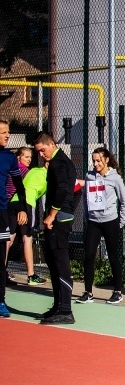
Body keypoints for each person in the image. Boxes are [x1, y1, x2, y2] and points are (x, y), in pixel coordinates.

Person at [75, 147, 125, 305]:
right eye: (94, 160)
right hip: (93, 222)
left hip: (111, 221)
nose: (96, 163)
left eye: (99, 160)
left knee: (113, 256)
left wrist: (121, 221)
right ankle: (88, 292)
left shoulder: (115, 178)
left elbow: (124, 201)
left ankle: (118, 291)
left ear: (106, 160)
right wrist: (86, 215)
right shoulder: (89, 176)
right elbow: (86, 198)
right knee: (89, 255)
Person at [32, 131, 74, 324]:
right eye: (38, 152)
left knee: (60, 262)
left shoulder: (59, 163)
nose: (41, 155)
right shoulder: (57, 162)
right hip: (58, 217)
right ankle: (58, 307)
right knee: (52, 261)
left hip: (60, 219)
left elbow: (63, 188)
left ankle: (66, 310)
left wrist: (51, 215)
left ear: (51, 144)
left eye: (42, 150)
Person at [6, 147, 45, 286]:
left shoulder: (11, 170)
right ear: (18, 158)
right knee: (27, 238)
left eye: (30, 157)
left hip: (9, 205)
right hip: (23, 204)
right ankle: (31, 275)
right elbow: (24, 189)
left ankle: (2, 272)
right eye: (26, 157)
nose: (29, 159)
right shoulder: (25, 172)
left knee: (8, 239)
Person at [0, 122, 27, 318]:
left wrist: (24, 208)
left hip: (1, 214)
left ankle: (0, 301)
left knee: (1, 260)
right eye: (3, 132)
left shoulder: (9, 158)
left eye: (8, 132)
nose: (8, 135)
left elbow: (19, 185)